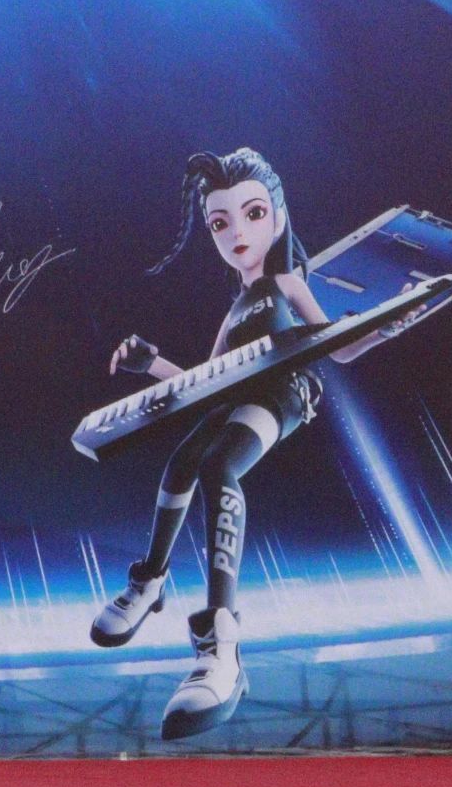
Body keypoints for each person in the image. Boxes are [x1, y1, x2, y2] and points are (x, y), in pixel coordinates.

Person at [90, 149, 331, 741]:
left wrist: (387, 321)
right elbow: (205, 380)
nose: (236, 233)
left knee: (220, 466)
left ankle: (221, 642)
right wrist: (150, 364)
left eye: (253, 214)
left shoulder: (287, 284)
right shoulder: (235, 309)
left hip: (283, 392)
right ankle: (149, 582)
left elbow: (338, 345)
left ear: (277, 217)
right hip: (237, 393)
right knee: (182, 463)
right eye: (220, 223)